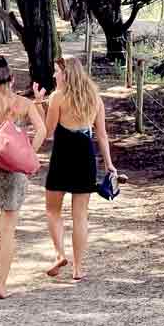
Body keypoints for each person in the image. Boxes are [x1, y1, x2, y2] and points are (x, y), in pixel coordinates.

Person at [38, 55, 114, 281]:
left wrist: (40, 104)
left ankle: (60, 254)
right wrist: (109, 164)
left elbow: (48, 130)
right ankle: (78, 268)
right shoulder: (94, 97)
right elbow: (101, 134)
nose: (54, 75)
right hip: (85, 155)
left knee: (53, 210)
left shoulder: (57, 97)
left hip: (63, 154)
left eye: (56, 71)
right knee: (80, 216)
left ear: (66, 74)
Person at [0, 56, 46, 298]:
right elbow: (43, 130)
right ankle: (3, 285)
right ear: (13, 79)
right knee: (8, 231)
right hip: (16, 170)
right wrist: (28, 153)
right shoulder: (25, 104)